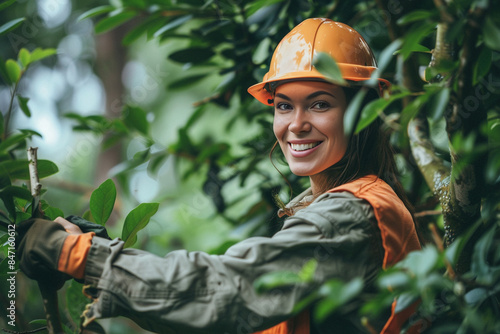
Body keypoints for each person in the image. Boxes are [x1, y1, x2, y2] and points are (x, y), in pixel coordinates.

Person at [17, 18, 421, 334]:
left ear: (361, 112)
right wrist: (101, 258)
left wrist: (78, 255)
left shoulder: (354, 214)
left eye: (319, 104)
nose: (296, 125)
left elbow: (225, 290)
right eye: (283, 106)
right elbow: (219, 315)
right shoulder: (334, 207)